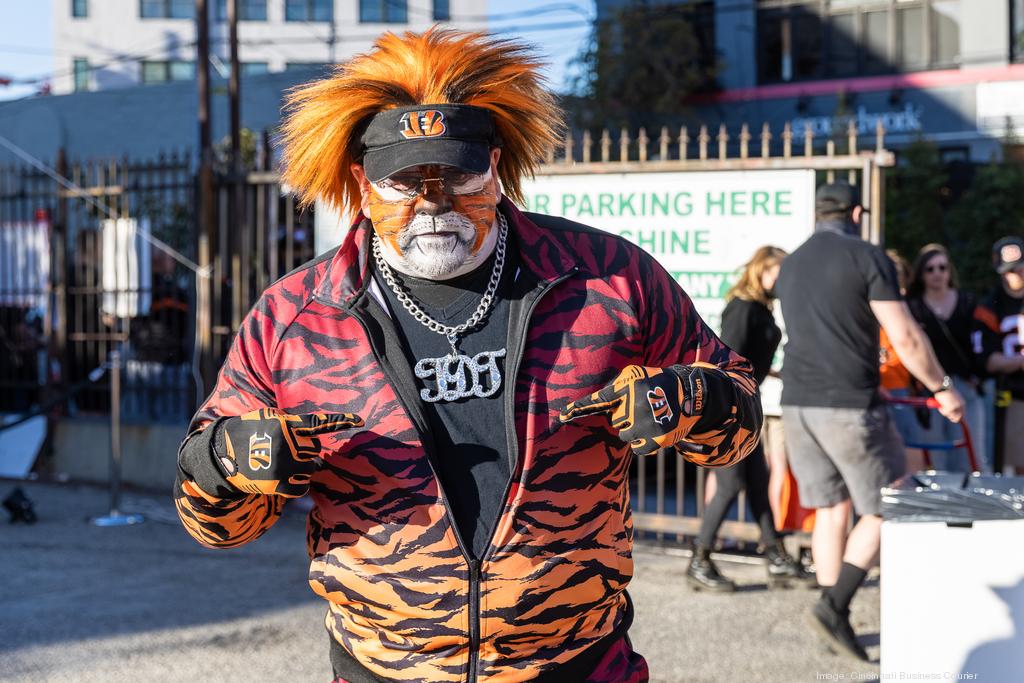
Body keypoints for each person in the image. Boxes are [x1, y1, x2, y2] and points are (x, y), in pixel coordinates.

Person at [173, 29, 762, 683]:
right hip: (382, 669)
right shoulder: (295, 316)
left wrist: (691, 400)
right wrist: (226, 459)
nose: (433, 200)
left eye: (458, 172)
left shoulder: (608, 278)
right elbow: (216, 526)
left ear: (497, 164)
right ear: (361, 181)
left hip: (579, 662)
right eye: (405, 180)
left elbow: (737, 428)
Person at [774, 181, 964, 661]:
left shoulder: (792, 262)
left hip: (797, 402)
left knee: (832, 509)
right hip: (848, 404)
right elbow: (904, 334)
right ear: (856, 212)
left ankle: (829, 613)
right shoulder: (866, 256)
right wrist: (943, 389)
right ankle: (833, 607)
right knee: (891, 501)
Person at [687, 246, 811, 591]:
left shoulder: (759, 308)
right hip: (731, 409)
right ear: (760, 271)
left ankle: (776, 556)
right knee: (730, 484)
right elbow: (727, 358)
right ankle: (699, 559)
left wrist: (771, 373)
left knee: (758, 481)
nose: (782, 280)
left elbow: (748, 358)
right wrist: (727, 411)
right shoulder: (743, 308)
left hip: (745, 405)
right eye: (777, 272)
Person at [906, 244, 991, 472]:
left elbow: (981, 344)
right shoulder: (912, 306)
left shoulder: (967, 302)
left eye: (942, 268)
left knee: (971, 452)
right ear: (921, 274)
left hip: (964, 385)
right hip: (929, 388)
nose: (937, 273)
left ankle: (971, 503)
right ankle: (940, 504)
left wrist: (978, 374)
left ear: (949, 271)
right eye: (930, 269)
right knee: (937, 456)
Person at [979, 236, 1024, 474]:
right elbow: (988, 359)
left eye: (1019, 268)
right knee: (1016, 462)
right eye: (1010, 271)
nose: (1016, 275)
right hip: (1012, 393)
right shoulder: (990, 306)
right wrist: (1019, 362)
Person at [879, 250, 925, 472]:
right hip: (879, 391)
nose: (903, 291)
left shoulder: (906, 312)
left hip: (900, 391)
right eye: (897, 285)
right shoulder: (865, 313)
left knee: (912, 454)